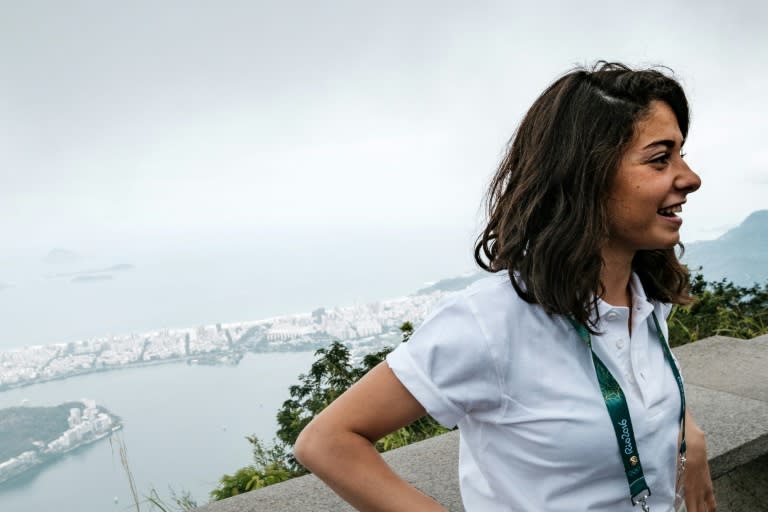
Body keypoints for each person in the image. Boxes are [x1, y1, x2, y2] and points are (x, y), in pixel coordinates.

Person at [294, 62, 716, 511]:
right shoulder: (492, 322)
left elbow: (634, 384)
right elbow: (326, 441)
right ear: (586, 175)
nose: (690, 177)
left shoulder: (644, 299)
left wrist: (687, 434)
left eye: (681, 154)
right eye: (659, 158)